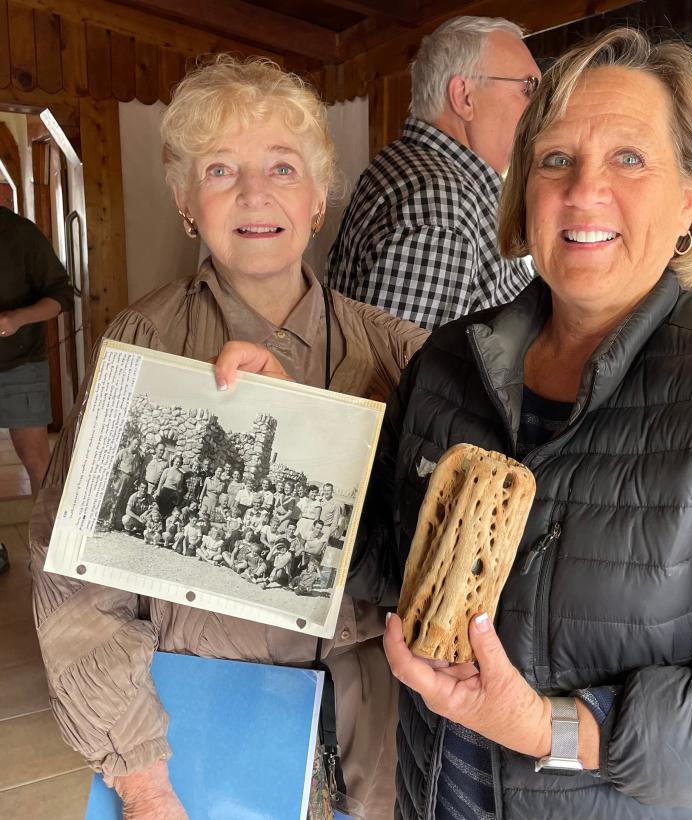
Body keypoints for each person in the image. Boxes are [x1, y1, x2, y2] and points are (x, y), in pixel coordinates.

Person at [338, 29, 692, 820]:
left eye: (629, 159)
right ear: (523, 194)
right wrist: (278, 417)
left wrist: (551, 727)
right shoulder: (448, 367)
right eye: (555, 160)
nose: (584, 192)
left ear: (690, 196)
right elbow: (384, 558)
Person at [28, 56, 427, 820]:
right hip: (202, 741)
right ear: (185, 200)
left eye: (282, 166)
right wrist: (144, 780)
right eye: (220, 170)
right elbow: (74, 583)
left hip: (379, 745)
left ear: (318, 198)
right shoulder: (142, 348)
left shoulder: (399, 355)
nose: (254, 193)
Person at [327, 16, 539, 330]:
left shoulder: (413, 169)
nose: (541, 108)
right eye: (528, 88)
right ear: (464, 97)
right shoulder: (441, 203)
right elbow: (398, 371)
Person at [0, 206, 74, 573]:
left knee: (34, 456)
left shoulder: (21, 234)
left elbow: (60, 296)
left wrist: (15, 319)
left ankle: (50, 546)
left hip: (21, 362)